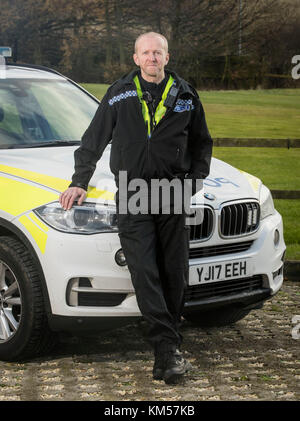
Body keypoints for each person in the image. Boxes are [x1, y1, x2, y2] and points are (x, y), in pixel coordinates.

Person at [59, 32, 213, 384]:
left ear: (167, 57)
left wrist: (196, 179)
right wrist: (79, 181)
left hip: (173, 192)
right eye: (146, 53)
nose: (152, 58)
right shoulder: (119, 93)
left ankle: (166, 349)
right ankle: (167, 348)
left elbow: (203, 142)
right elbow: (93, 139)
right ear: (136, 58)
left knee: (174, 271)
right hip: (133, 193)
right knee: (145, 271)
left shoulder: (186, 94)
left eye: (158, 52)